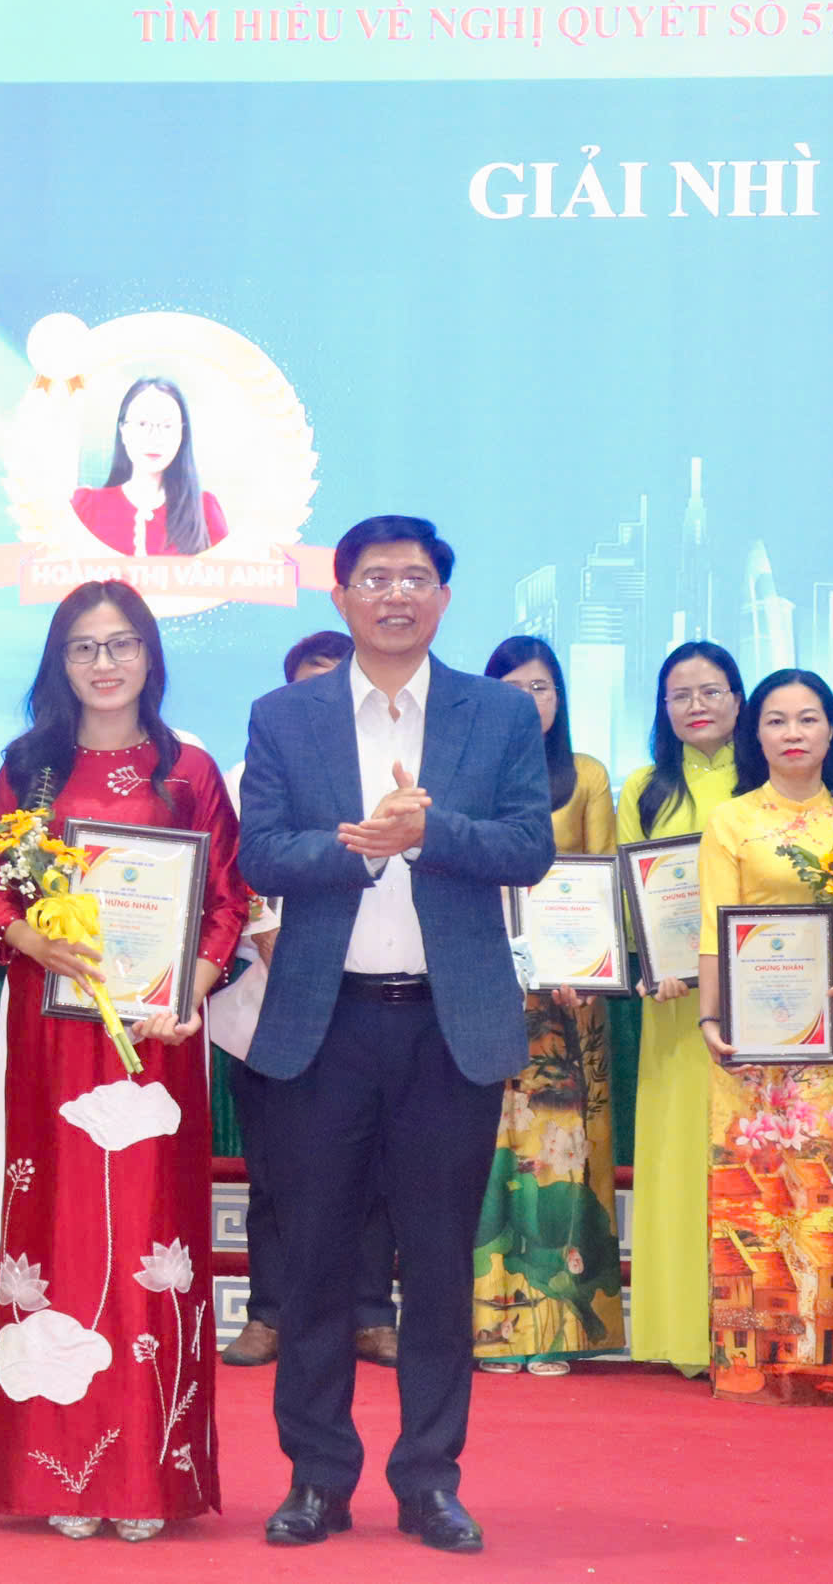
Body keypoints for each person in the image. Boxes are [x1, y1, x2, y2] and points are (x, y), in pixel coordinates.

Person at [237, 514, 553, 1555]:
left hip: (447, 1028)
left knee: (438, 1265)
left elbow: (527, 846)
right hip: (322, 1026)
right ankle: (316, 1477)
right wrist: (363, 848)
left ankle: (429, 1479)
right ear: (340, 596)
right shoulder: (285, 715)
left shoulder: (496, 713)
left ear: (443, 598)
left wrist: (431, 832)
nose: (395, 595)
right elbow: (261, 853)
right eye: (373, 578)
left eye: (415, 578)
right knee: (315, 1263)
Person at [0, 581, 247, 1539]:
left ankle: (146, 1476)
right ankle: (59, 1472)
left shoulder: (189, 771)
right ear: (60, 661)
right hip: (52, 1033)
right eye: (84, 647)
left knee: (146, 1233)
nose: (104, 663)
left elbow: (227, 899)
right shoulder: (27, 771)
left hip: (155, 1041)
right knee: (58, 1230)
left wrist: (191, 990)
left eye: (122, 644)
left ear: (150, 656)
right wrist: (32, 940)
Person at [694, 669, 833, 1406]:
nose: (793, 733)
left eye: (808, 718)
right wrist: (710, 1018)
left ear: (832, 730)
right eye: (776, 720)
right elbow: (714, 930)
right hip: (755, 1040)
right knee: (760, 1191)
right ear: (758, 735)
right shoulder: (732, 821)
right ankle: (759, 1359)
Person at [214, 631, 402, 1373]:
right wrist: (265, 933)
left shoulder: (386, 764)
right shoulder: (251, 765)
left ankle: (369, 1313)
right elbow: (234, 865)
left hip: (369, 992)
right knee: (273, 1166)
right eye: (307, 683)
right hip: (271, 1000)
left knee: (374, 1167)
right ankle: (269, 1313)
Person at [473, 637, 623, 1374]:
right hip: (486, 989)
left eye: (541, 687)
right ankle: (493, 1326)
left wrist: (585, 969)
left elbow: (605, 880)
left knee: (564, 1159)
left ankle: (559, 1327)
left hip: (569, 997)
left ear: (559, 697)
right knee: (490, 1154)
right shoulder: (467, 775)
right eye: (512, 687)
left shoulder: (587, 775)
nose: (528, 701)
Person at [617, 641, 746, 1375]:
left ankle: (747, 1327)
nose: (697, 706)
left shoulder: (767, 778)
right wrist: (650, 963)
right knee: (679, 1157)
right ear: (663, 709)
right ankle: (685, 1335)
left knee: (744, 1155)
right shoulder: (645, 789)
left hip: (757, 1003)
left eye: (711, 691)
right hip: (673, 1005)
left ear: (738, 699)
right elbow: (632, 898)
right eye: (680, 695)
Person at [68, 377, 228, 558]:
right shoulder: (88, 506)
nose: (154, 438)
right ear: (123, 430)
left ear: (182, 434)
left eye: (167, 426)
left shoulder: (205, 510)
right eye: (142, 424)